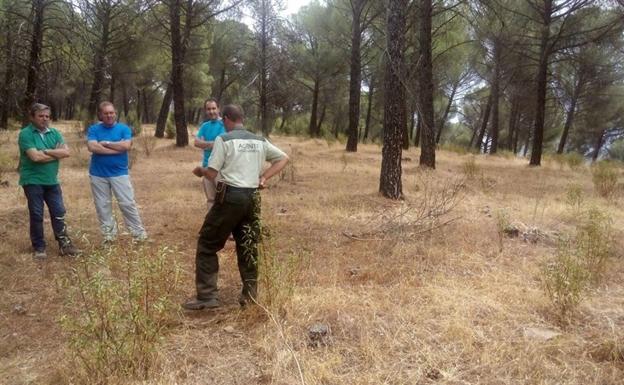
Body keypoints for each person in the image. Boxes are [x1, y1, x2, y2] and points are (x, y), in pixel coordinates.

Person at [183, 104, 289, 310]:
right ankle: (250, 296)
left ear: (226, 120)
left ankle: (206, 297)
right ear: (243, 119)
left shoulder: (224, 139)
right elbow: (283, 158)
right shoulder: (259, 140)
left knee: (207, 243)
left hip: (230, 197)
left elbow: (212, 173)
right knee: (248, 245)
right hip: (252, 198)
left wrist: (200, 170)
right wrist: (264, 177)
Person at [18, 103, 79, 259]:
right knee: (37, 214)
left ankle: (65, 245)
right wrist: (55, 154)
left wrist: (45, 151)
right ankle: (39, 247)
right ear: (32, 117)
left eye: (47, 116)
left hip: (51, 181)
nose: (44, 119)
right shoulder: (26, 134)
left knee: (59, 212)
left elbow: (66, 152)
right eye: (40, 116)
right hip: (32, 180)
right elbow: (34, 157)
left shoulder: (55, 132)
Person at [86, 101, 147, 243]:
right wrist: (115, 148)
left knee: (127, 203)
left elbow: (126, 146)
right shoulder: (94, 129)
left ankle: (139, 235)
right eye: (106, 113)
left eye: (111, 113)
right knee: (102, 206)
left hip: (119, 173)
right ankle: (109, 236)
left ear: (115, 113)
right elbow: (92, 147)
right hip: (98, 174)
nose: (109, 115)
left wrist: (105, 143)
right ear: (100, 115)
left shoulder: (124, 129)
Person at [193, 98, 225, 208]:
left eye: (213, 108)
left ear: (218, 109)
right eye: (208, 109)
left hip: (221, 169)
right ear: (205, 111)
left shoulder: (224, 124)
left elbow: (221, 144)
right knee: (211, 200)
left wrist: (204, 143)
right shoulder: (205, 126)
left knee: (223, 200)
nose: (211, 111)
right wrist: (212, 144)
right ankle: (212, 225)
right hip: (206, 166)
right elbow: (196, 143)